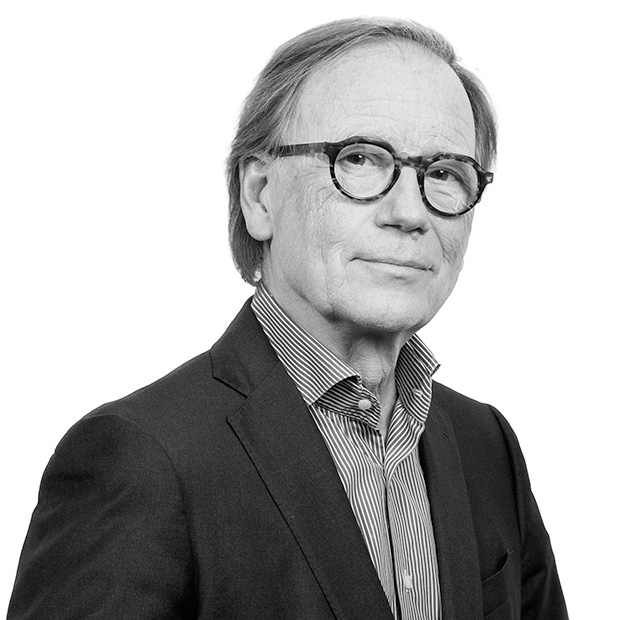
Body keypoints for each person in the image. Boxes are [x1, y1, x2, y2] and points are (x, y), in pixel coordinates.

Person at [7, 16, 568, 620]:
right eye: (360, 159)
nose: (410, 212)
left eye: (445, 173)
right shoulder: (140, 459)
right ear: (259, 195)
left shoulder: (488, 447)